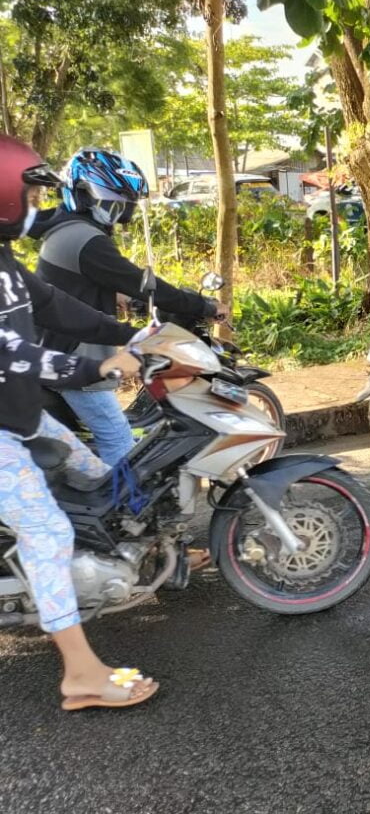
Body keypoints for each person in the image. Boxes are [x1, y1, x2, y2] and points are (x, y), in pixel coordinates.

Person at [0, 135, 158, 710]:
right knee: (47, 529)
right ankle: (81, 675)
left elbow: (55, 308)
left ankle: (109, 570)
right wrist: (95, 364)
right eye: (28, 194)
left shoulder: (5, 265)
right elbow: (14, 355)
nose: (37, 205)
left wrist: (132, 336)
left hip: (19, 416)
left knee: (95, 472)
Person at [32, 148, 226, 467]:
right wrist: (203, 304)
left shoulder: (71, 231)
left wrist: (121, 298)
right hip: (74, 358)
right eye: (113, 203)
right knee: (117, 438)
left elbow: (86, 285)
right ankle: (124, 512)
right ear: (85, 195)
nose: (119, 213)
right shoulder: (85, 239)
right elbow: (138, 280)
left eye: (123, 205)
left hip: (65, 350)